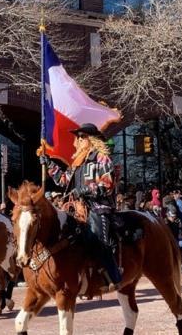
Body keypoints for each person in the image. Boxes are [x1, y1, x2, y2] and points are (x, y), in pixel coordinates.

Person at [40, 123, 122, 292]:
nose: (78, 140)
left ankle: (113, 277)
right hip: (77, 207)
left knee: (97, 238)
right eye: (78, 137)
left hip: (98, 206)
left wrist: (85, 189)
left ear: (91, 140)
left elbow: (108, 184)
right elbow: (63, 181)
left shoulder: (101, 158)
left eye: (82, 136)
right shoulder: (77, 163)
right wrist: (49, 165)